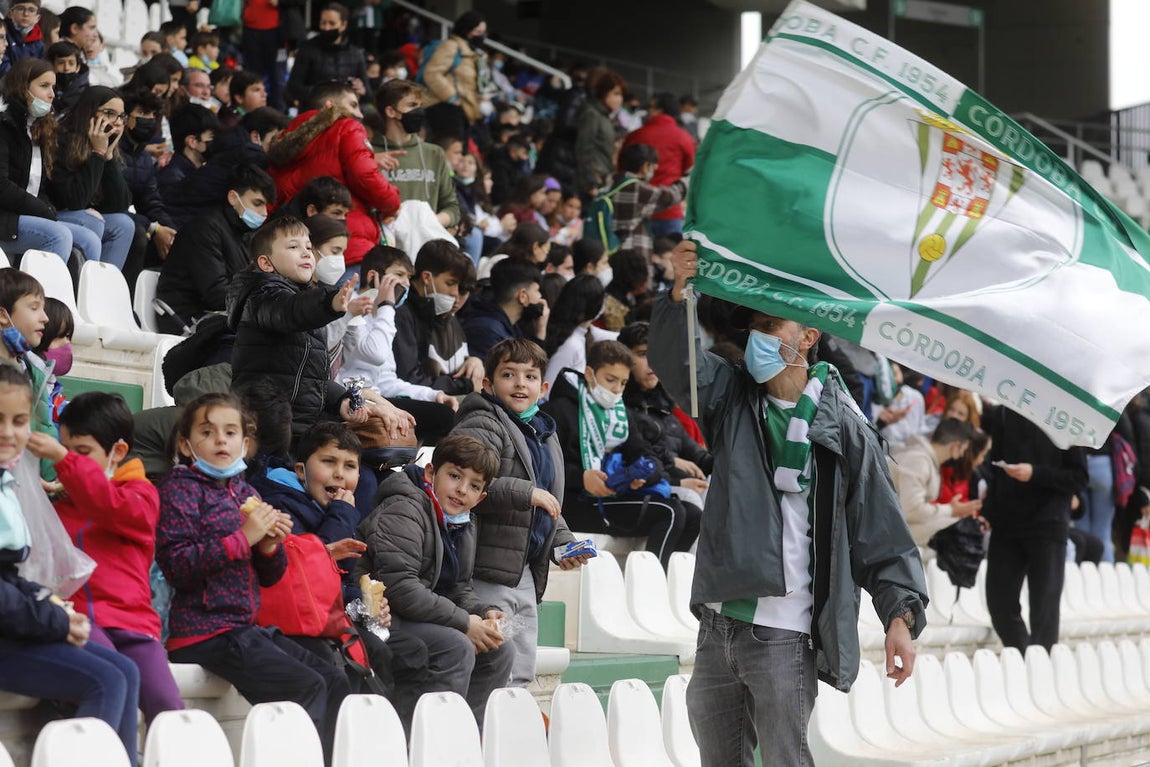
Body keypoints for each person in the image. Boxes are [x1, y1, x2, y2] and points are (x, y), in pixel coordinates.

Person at [649, 240, 928, 765]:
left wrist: (900, 617)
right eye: (753, 327)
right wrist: (678, 291)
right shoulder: (728, 397)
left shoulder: (846, 429)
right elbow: (675, 364)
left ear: (809, 336)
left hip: (785, 631)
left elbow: (882, 533)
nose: (758, 337)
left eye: (772, 326)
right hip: (717, 622)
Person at [157, 392, 351, 762]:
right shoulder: (178, 489)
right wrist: (243, 538)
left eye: (230, 432)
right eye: (207, 431)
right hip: (204, 630)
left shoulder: (244, 490)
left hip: (243, 627)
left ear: (244, 444)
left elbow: (270, 576)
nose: (220, 440)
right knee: (304, 688)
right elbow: (178, 565)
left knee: (336, 680)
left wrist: (268, 548)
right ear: (186, 444)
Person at [0, 366, 141, 767]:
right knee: (106, 679)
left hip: (12, 630)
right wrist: (53, 619)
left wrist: (49, 604)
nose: (9, 433)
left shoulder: (6, 483)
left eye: (19, 421)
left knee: (126, 671)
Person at [28, 392, 184, 724]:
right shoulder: (60, 509)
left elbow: (107, 505)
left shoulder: (142, 495)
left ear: (119, 452)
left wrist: (63, 462)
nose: (70, 460)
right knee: (114, 679)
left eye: (82, 453)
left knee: (167, 704)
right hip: (82, 623)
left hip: (135, 626)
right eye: (66, 451)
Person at [452, 339, 589, 687]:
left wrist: (563, 544)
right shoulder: (483, 421)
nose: (519, 383)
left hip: (524, 572)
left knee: (523, 658)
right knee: (498, 658)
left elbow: (548, 504)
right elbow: (464, 486)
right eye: (508, 374)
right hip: (485, 566)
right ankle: (487, 726)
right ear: (488, 384)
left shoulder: (544, 432)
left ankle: (515, 716)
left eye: (529, 377)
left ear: (543, 388)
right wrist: (526, 493)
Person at [355, 433, 514, 725]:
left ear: (481, 498)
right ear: (431, 472)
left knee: (500, 649)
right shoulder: (404, 508)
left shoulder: (462, 521)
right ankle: (432, 741)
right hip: (381, 615)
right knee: (457, 646)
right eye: (454, 476)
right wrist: (465, 622)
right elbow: (400, 588)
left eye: (474, 486)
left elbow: (457, 587)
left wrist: (481, 612)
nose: (461, 490)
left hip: (419, 614)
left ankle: (468, 737)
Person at [544, 339, 701, 569]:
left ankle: (666, 587)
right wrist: (582, 477)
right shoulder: (559, 410)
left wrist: (644, 475)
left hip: (613, 496)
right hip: (576, 501)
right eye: (610, 380)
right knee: (670, 511)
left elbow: (648, 456)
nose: (616, 389)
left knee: (694, 515)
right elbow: (545, 468)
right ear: (589, 374)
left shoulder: (620, 414)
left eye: (623, 383)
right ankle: (651, 587)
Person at [225, 215, 377, 443]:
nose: (307, 252)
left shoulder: (305, 301)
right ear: (266, 263)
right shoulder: (261, 295)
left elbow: (310, 379)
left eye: (308, 246)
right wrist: (329, 303)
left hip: (300, 426)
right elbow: (289, 312)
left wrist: (341, 400)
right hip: (263, 426)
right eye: (293, 247)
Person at [981, 404, 1088, 650]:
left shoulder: (1068, 415)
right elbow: (995, 468)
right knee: (999, 603)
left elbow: (1079, 477)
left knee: (1044, 611)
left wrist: (1035, 473)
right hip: (1007, 522)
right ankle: (1025, 660)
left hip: (1048, 523)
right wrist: (988, 512)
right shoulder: (1005, 411)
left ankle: (1039, 670)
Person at [267, 80, 400, 274]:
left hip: (298, 252)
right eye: (353, 105)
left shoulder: (281, 144)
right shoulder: (347, 127)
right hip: (348, 245)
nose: (360, 114)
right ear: (330, 105)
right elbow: (365, 175)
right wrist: (393, 202)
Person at [335, 245, 458, 443]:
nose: (406, 284)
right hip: (348, 398)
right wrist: (386, 307)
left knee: (444, 411)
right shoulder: (352, 307)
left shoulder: (381, 316)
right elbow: (375, 354)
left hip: (377, 397)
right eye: (399, 274)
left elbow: (387, 381)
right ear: (373, 276)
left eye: (408, 277)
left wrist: (433, 395)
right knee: (441, 417)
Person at [156, 163, 275, 334]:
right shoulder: (205, 229)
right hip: (188, 320)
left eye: (266, 206)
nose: (264, 213)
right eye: (257, 203)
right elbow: (216, 295)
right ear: (233, 197)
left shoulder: (244, 233)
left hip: (220, 318)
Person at [0, 58, 91, 264]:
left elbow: (39, 187)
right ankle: (43, 296)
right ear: (21, 87)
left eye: (53, 87)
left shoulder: (39, 128)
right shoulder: (4, 127)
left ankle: (81, 295)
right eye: (44, 86)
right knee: (58, 235)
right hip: (6, 217)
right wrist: (42, 210)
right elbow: (2, 186)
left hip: (25, 213)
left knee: (90, 236)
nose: (52, 94)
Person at [618, 321, 712, 510]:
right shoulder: (620, 407)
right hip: (652, 490)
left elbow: (697, 454)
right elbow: (639, 463)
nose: (652, 362)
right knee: (693, 498)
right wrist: (677, 479)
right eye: (643, 354)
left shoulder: (663, 404)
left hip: (676, 484)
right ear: (624, 358)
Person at [43, 85, 137, 270]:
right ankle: (80, 289)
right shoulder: (61, 139)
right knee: (91, 221)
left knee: (124, 224)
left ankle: (101, 291)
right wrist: (97, 153)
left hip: (80, 214)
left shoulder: (105, 146)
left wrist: (108, 157)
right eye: (110, 113)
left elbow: (119, 205)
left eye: (121, 116)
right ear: (89, 112)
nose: (117, 122)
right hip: (53, 212)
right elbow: (74, 200)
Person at [392, 239, 483, 397]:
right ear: (427, 278)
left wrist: (474, 361)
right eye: (450, 283)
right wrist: (465, 384)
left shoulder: (432, 310)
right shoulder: (401, 312)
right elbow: (409, 378)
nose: (455, 294)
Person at [371, 78, 460, 230]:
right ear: (391, 111)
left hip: (425, 241)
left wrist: (428, 222)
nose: (419, 112)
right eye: (412, 105)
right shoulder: (369, 153)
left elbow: (452, 208)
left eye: (419, 106)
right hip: (385, 242)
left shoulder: (434, 153)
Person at [890, 417, 982, 547]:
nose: (962, 455)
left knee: (955, 527)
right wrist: (950, 510)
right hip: (887, 527)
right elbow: (910, 510)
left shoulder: (924, 459)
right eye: (964, 450)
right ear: (955, 446)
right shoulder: (918, 461)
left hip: (893, 524)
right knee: (953, 531)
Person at [621, 92, 695, 238]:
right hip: (670, 210)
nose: (648, 110)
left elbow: (621, 169)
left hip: (636, 210)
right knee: (672, 258)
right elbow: (690, 170)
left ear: (659, 110)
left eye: (651, 107)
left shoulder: (635, 135)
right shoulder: (684, 137)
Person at [118, 89, 177, 261]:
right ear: (126, 118)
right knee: (139, 235)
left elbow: (151, 203)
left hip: (132, 220)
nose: (150, 119)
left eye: (153, 115)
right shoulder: (113, 150)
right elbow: (109, 205)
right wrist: (153, 228)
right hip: (111, 218)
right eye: (143, 113)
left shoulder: (144, 158)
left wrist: (171, 231)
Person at [607, 143, 688, 259]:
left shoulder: (613, 183)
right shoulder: (633, 188)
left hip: (613, 251)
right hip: (631, 255)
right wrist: (689, 180)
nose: (655, 168)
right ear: (645, 166)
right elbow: (669, 197)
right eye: (653, 165)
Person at [461, 257, 549, 361]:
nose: (540, 297)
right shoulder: (488, 331)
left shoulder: (508, 325)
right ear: (523, 296)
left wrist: (540, 331)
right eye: (537, 290)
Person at [285, 3, 368, 108]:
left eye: (332, 23)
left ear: (343, 25)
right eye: (323, 23)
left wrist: (361, 90)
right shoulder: (307, 49)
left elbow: (368, 93)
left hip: (345, 115)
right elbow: (293, 88)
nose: (326, 28)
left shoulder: (355, 54)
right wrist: (325, 92)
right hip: (314, 113)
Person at [543, 274, 617, 390]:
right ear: (594, 306)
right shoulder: (571, 345)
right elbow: (547, 390)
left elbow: (616, 336)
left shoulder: (582, 332)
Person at [421, 11, 487, 136]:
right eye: (478, 32)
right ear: (467, 30)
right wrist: (452, 97)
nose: (482, 36)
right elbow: (431, 73)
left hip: (462, 111)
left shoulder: (473, 52)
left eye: (483, 32)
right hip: (445, 108)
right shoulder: (451, 46)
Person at [574, 69, 625, 197]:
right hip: (592, 183)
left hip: (603, 178)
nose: (619, 99)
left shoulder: (606, 117)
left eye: (621, 95)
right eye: (615, 94)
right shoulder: (592, 114)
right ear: (604, 93)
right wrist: (590, 182)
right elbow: (584, 148)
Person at [2, 0, 44, 69]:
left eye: (31, 10)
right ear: (10, 13)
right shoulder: (3, 35)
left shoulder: (39, 44)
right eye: (20, 9)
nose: (26, 14)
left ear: (37, 18)